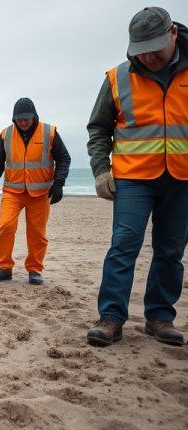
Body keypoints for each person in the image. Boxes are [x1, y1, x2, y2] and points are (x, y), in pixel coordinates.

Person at [86, 7, 188, 347]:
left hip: (182, 177)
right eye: (139, 50)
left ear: (173, 34)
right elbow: (98, 128)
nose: (147, 57)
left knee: (170, 250)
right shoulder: (117, 78)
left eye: (154, 49)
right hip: (132, 178)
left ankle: (160, 317)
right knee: (123, 247)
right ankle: (111, 317)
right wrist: (101, 169)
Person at [0, 98, 71, 285]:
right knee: (5, 227)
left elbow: (64, 159)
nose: (22, 122)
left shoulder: (50, 132)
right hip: (12, 192)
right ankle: (4, 267)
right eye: (18, 119)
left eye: (26, 119)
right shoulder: (5, 135)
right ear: (14, 118)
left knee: (37, 233)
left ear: (34, 116)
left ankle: (34, 269)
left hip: (40, 193)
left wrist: (59, 184)